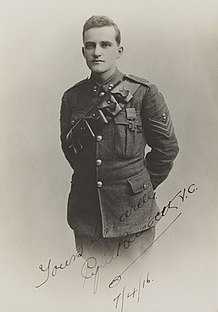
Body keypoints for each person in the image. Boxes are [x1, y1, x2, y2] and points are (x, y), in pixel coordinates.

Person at [60, 15, 179, 263]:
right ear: (83, 51)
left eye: (105, 45)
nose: (97, 52)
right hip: (86, 216)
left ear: (119, 50)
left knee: (130, 293)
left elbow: (166, 150)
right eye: (90, 46)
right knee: (91, 292)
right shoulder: (72, 98)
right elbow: (72, 151)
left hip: (133, 217)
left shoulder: (143, 94)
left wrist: (138, 187)